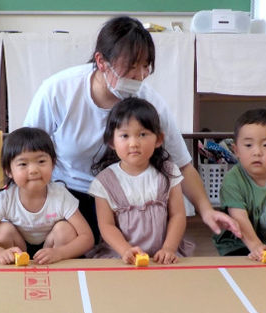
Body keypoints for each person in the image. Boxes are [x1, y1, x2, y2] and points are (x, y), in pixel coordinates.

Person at [23, 16, 240, 244]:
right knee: (65, 237)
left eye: (145, 67)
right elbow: (27, 148)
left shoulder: (148, 102)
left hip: (125, 197)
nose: (139, 76)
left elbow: (183, 164)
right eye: (131, 67)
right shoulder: (59, 90)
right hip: (70, 191)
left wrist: (206, 210)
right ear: (101, 61)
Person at [87, 98, 194, 264]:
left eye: (143, 134)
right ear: (111, 141)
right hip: (121, 255)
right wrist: (125, 250)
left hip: (163, 255)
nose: (134, 143)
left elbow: (178, 215)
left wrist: (169, 248)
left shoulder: (168, 172)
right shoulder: (104, 181)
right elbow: (106, 225)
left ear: (158, 139)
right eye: (124, 135)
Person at [0, 127, 94, 265]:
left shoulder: (60, 195)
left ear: (53, 164)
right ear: (9, 171)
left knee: (64, 229)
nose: (34, 170)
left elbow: (87, 237)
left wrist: (60, 253)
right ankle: (12, 272)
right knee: (2, 231)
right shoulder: (5, 199)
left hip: (51, 250)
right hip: (17, 251)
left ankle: (58, 274)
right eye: (23, 164)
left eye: (41, 161)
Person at [214, 109, 266, 262]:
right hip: (236, 244)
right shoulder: (233, 180)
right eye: (249, 145)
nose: (257, 152)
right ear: (236, 150)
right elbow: (238, 217)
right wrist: (255, 245)